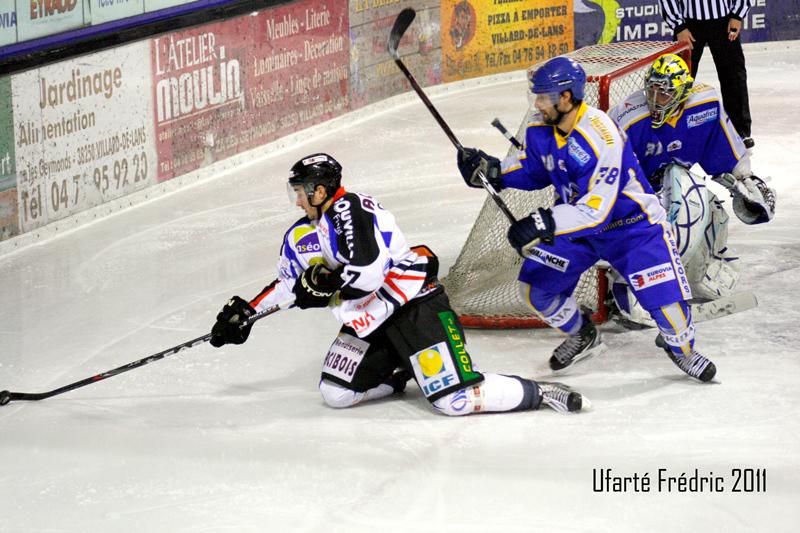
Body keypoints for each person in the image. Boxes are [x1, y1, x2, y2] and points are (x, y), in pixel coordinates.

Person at [209, 153, 588, 415]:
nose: (297, 201)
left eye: (300, 191)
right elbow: (291, 282)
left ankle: (540, 393)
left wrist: (326, 288)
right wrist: (248, 313)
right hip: (372, 321)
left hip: (414, 307)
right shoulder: (308, 231)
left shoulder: (349, 209)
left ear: (319, 190)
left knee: (452, 401)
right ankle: (403, 368)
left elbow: (368, 273)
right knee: (336, 392)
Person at [456, 56, 717, 382]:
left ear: (566, 97)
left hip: (633, 227)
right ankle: (582, 333)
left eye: (544, 97)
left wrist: (542, 222)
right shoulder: (540, 127)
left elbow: (596, 210)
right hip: (578, 228)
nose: (537, 104)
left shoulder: (601, 136)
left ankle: (682, 350)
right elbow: (535, 168)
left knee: (670, 314)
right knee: (535, 289)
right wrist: (494, 172)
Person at [608, 53, 775, 310]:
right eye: (651, 91)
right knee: (651, 232)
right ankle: (628, 286)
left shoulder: (704, 106)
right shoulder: (627, 119)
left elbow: (725, 150)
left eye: (663, 94)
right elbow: (603, 169)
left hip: (670, 187)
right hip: (634, 197)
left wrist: (744, 181)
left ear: (682, 92)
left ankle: (698, 277)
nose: (654, 100)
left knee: (708, 208)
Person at [658, 0, 754, 149]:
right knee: (678, 79)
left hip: (725, 21)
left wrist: (737, 15)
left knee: (734, 77)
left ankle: (739, 132)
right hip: (689, 24)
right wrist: (679, 26)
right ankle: (671, 133)